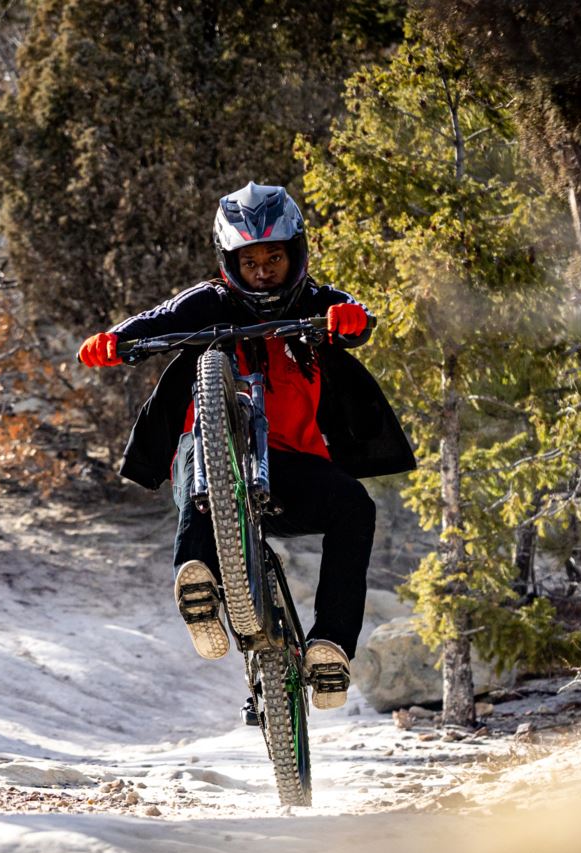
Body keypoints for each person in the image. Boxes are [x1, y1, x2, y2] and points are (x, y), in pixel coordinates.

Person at [77, 181, 415, 710]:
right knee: (196, 463)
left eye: (274, 259)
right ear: (228, 262)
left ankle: (330, 648)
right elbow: (157, 321)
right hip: (212, 453)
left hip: (288, 470)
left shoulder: (314, 302)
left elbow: (352, 314)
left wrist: (351, 319)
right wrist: (114, 340)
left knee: (354, 506)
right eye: (249, 261)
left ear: (295, 255)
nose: (262, 272)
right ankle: (199, 587)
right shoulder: (208, 302)